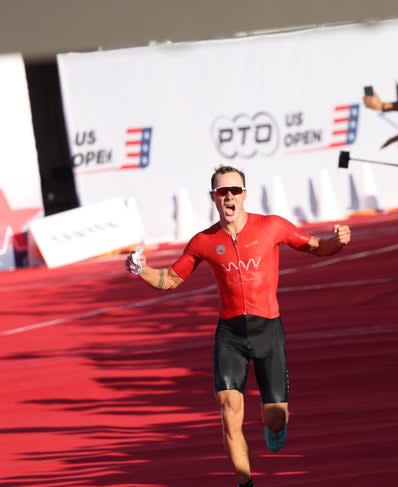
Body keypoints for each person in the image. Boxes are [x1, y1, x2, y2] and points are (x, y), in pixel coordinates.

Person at [124, 165, 351, 487]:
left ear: (244, 194)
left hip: (268, 332)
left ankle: (275, 426)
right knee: (229, 409)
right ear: (213, 197)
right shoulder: (203, 241)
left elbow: (315, 246)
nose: (229, 197)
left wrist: (337, 241)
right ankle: (244, 482)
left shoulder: (271, 226)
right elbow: (169, 279)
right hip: (230, 335)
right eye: (222, 192)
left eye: (235, 191)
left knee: (274, 418)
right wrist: (141, 269)